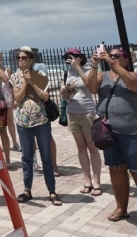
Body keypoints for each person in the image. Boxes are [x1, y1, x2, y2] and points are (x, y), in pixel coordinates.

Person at [87, 47, 137, 232]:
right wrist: (93, 65)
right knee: (116, 169)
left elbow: (135, 86)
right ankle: (121, 208)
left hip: (133, 131)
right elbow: (91, 87)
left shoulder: (133, 75)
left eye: (116, 56)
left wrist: (114, 65)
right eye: (110, 56)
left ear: (125, 60)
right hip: (109, 131)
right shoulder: (103, 76)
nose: (111, 58)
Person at [9, 46, 59, 206]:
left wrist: (33, 82)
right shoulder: (15, 76)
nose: (20, 60)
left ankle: (52, 190)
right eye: (19, 58)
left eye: (24, 58)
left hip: (41, 120)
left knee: (46, 157)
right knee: (26, 157)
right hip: (23, 122)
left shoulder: (41, 75)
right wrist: (25, 83)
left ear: (31, 60)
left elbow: (45, 96)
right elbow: (16, 99)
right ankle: (27, 190)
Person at [60, 47, 103, 195]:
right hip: (72, 113)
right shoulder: (66, 73)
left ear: (80, 58)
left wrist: (78, 69)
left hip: (87, 113)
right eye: (68, 55)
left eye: (74, 55)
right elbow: (64, 95)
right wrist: (63, 91)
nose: (71, 57)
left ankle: (97, 182)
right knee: (81, 148)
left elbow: (91, 87)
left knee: (92, 147)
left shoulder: (86, 70)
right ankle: (87, 180)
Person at [0, 50, 20, 152]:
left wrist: (15, 98)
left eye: (0, 56)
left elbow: (11, 84)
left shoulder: (7, 69)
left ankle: (15, 142)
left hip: (7, 96)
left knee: (10, 120)